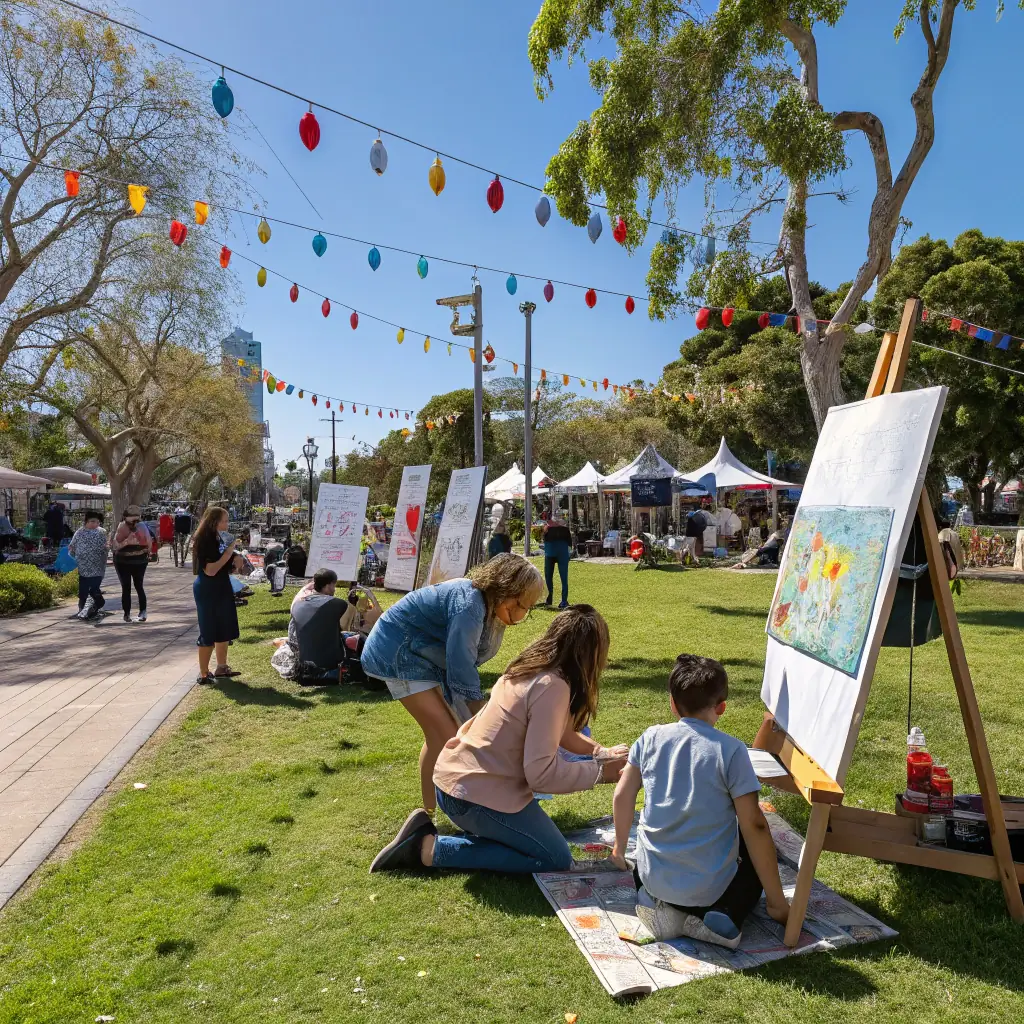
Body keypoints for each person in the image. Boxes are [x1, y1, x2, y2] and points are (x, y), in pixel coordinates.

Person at [369, 605, 627, 874]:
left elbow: (562, 734)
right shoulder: (552, 686)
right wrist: (600, 773)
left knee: (537, 844)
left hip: (458, 784)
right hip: (472, 797)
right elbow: (541, 775)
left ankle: (444, 838)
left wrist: (600, 752)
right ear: (590, 654)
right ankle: (427, 848)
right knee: (554, 858)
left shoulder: (531, 670)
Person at [610, 654, 789, 949]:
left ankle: (659, 904)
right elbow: (754, 825)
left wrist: (619, 849)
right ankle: (725, 914)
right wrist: (778, 902)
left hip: (653, 879)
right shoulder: (731, 750)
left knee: (651, 850)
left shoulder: (650, 738)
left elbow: (622, 795)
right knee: (755, 846)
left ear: (672, 703)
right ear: (721, 707)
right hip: (710, 890)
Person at [362, 553, 545, 813]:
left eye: (528, 608)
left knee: (440, 735)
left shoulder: (492, 606)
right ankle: (450, 813)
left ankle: (432, 813)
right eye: (520, 604)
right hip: (398, 651)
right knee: (448, 735)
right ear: (503, 588)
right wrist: (482, 715)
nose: (521, 614)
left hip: (426, 657)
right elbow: (461, 664)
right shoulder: (469, 605)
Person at [192, 505, 243, 685]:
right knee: (209, 630)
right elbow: (211, 570)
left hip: (222, 586)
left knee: (224, 627)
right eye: (224, 521)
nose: (227, 525)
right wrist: (229, 553)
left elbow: (224, 565)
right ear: (214, 522)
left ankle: (222, 667)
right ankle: (204, 673)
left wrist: (235, 560)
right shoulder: (204, 540)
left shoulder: (221, 538)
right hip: (208, 588)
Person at [287, 568, 356, 680]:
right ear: (328, 586)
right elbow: (344, 628)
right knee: (354, 637)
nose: (334, 589)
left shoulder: (298, 603)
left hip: (302, 662)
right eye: (334, 586)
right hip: (328, 662)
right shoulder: (338, 604)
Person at [110, 505, 151, 622]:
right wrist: (127, 542)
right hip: (123, 561)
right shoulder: (121, 526)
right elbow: (115, 546)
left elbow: (149, 543)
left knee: (137, 586)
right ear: (125, 517)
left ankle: (141, 612)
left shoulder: (141, 526)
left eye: (136, 517)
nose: (134, 520)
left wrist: (145, 550)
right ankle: (127, 613)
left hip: (139, 561)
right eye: (132, 517)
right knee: (127, 586)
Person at [68, 510, 108, 619]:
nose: (95, 524)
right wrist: (76, 555)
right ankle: (82, 610)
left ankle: (98, 604)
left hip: (97, 566)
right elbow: (72, 548)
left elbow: (106, 547)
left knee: (94, 589)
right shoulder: (79, 532)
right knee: (83, 591)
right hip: (83, 567)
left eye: (97, 522)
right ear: (86, 521)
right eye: (92, 521)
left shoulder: (102, 532)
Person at [542, 514, 572, 608]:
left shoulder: (547, 529)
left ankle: (549, 599)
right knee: (564, 578)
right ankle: (563, 601)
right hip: (562, 553)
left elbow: (544, 540)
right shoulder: (565, 530)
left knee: (548, 577)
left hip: (550, 552)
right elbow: (570, 543)